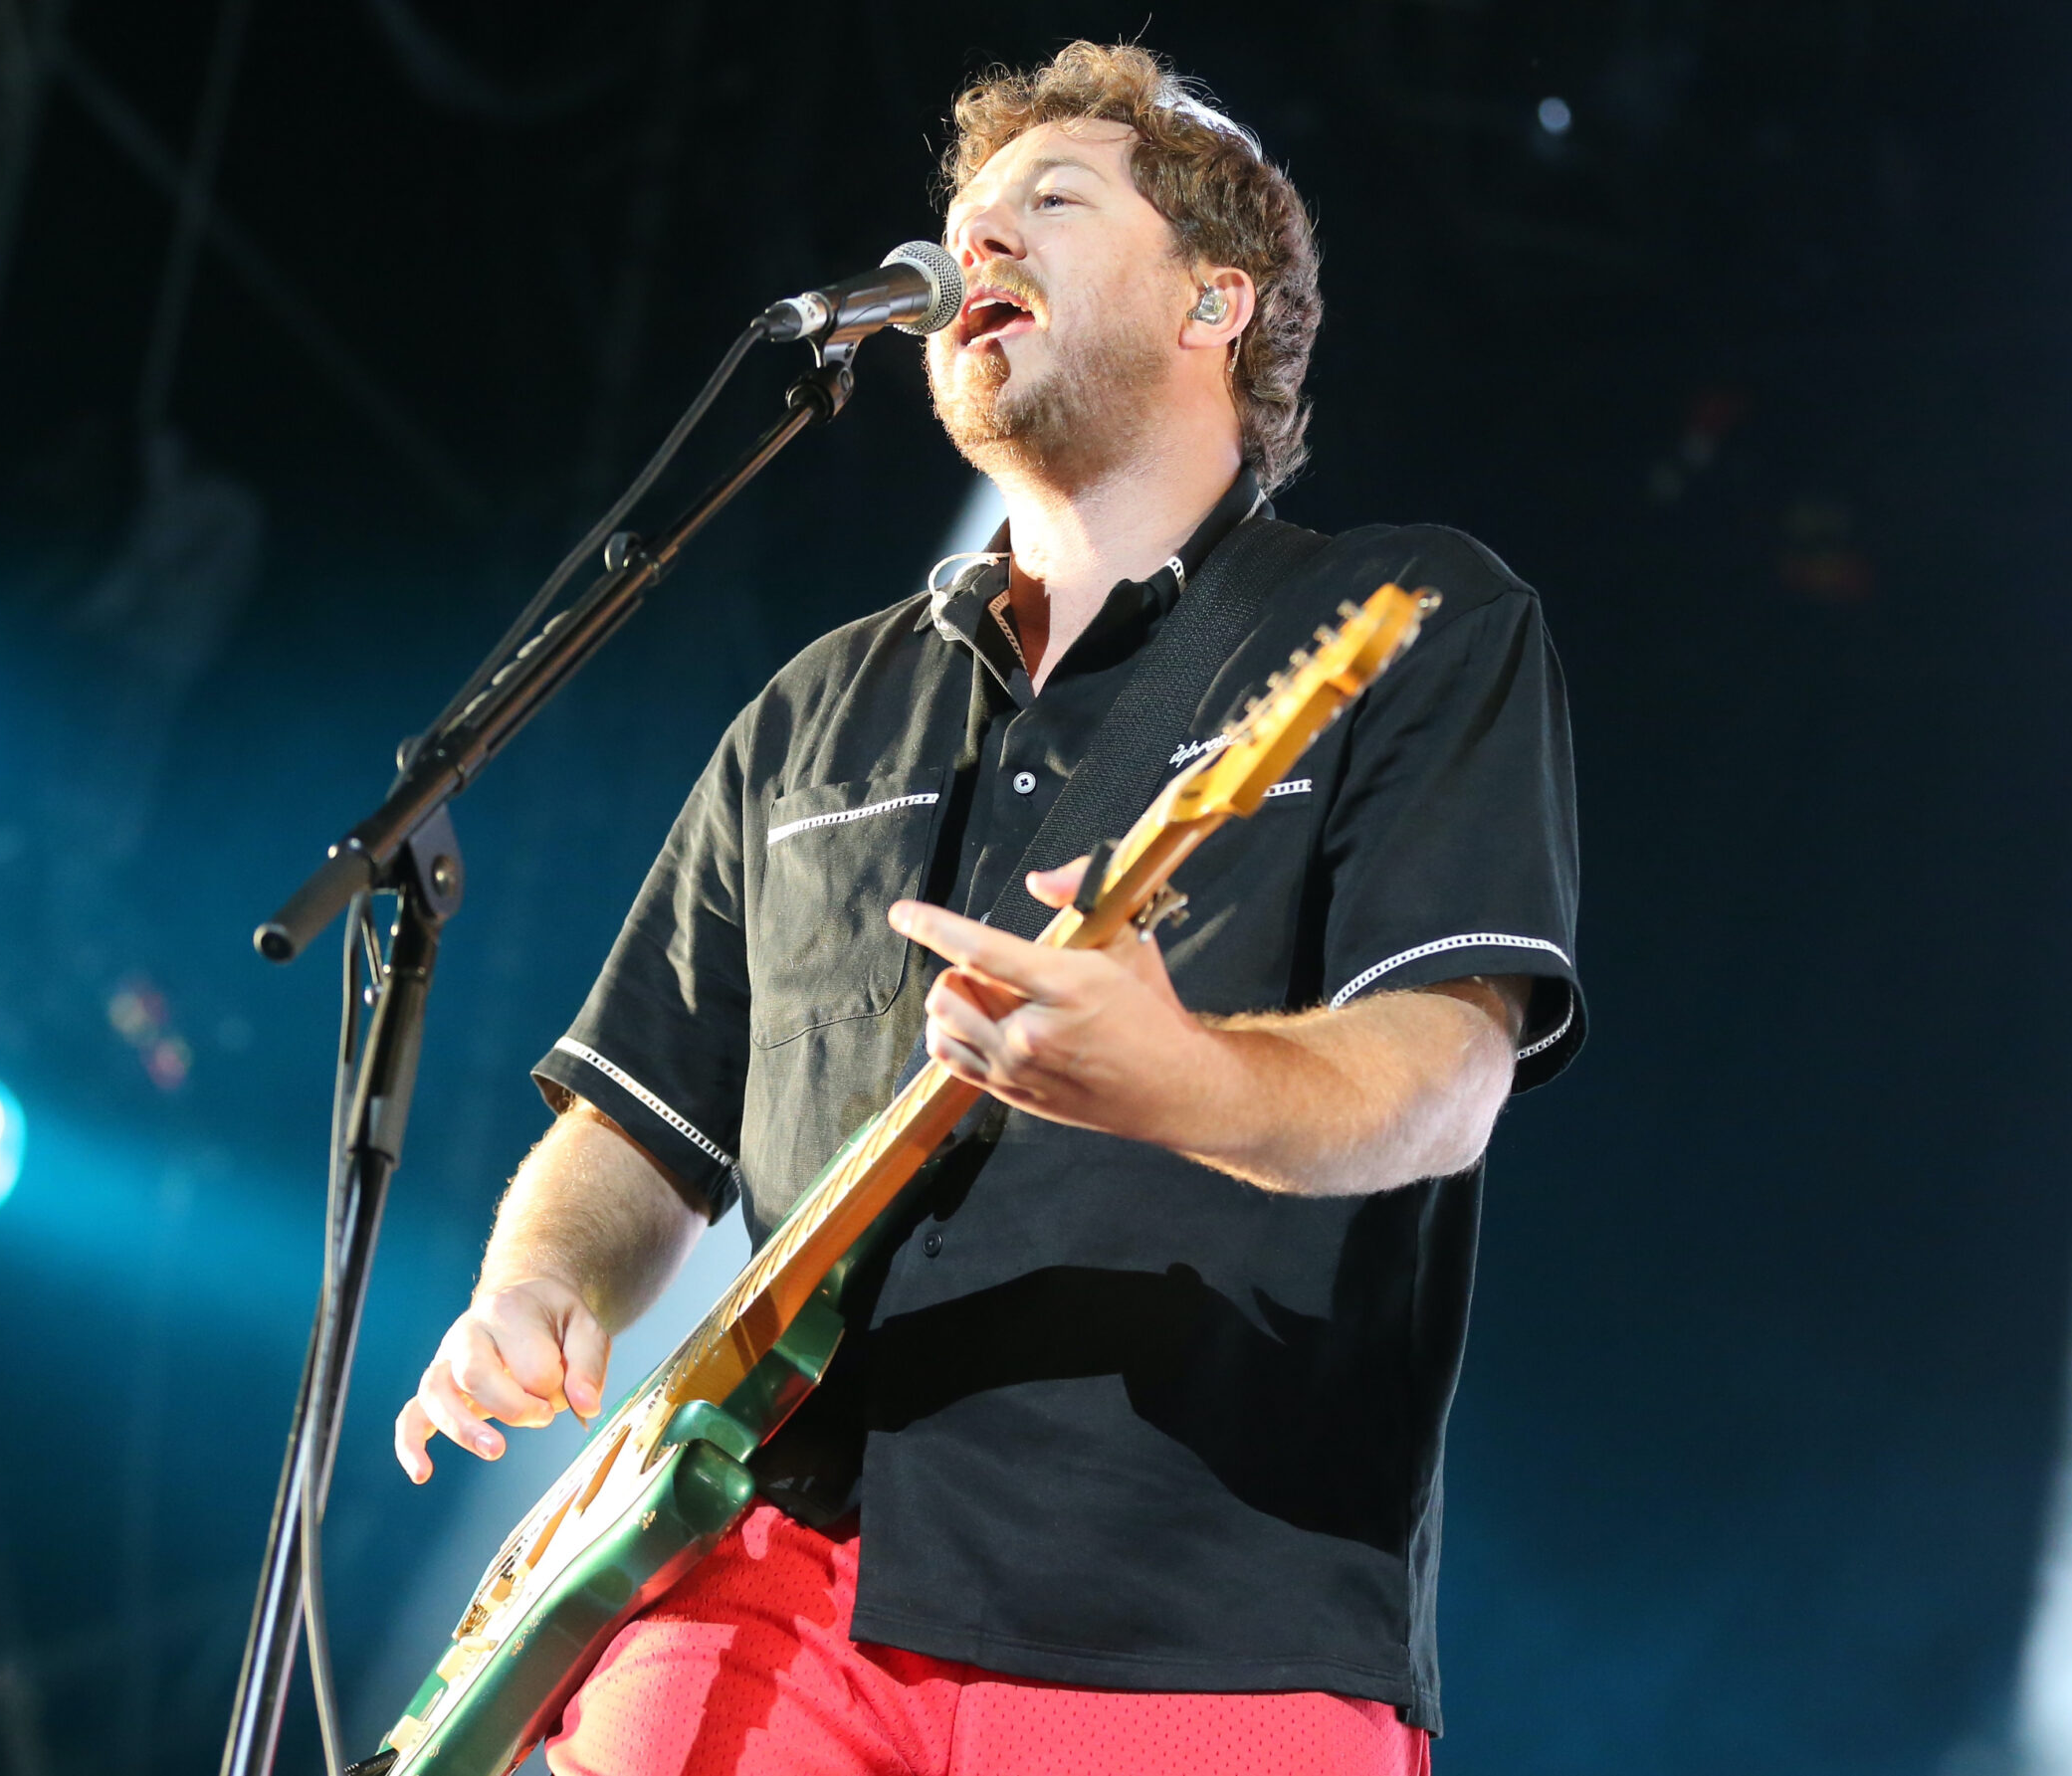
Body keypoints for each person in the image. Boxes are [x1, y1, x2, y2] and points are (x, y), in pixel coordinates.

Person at [393, 41, 1581, 1776]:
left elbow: (1443, 1077)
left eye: (1053, 201)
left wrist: (1181, 1077)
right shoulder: (810, 713)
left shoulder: (1414, 616)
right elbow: (636, 1119)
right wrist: (539, 1285)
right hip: (760, 1598)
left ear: (1216, 301)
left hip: (1205, 1631)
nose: (980, 241)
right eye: (964, 217)